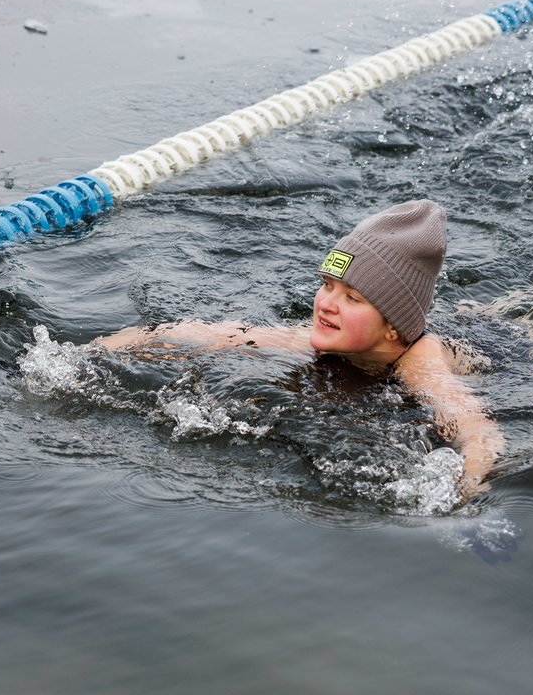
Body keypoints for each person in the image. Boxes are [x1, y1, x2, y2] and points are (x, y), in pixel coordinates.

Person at [94, 200, 504, 502]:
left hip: (505, 341)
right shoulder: (313, 336)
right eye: (327, 285)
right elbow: (208, 335)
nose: (326, 304)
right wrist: (110, 346)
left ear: (393, 328)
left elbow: (477, 429)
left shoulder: (421, 363)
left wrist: (466, 488)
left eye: (352, 298)